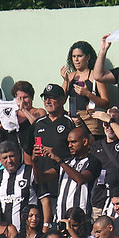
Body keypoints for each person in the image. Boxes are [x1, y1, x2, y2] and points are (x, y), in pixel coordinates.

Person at [28, 83, 76, 223]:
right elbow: (29, 149)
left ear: (62, 100)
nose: (48, 102)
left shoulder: (69, 122)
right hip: (41, 184)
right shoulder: (38, 123)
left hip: (63, 182)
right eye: (45, 98)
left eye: (52, 98)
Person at [37, 127, 102, 221]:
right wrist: (35, 161)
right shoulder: (67, 163)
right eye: (68, 142)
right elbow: (41, 179)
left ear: (84, 142)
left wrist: (59, 160)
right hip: (61, 219)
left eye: (73, 142)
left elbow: (81, 179)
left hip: (81, 221)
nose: (69, 145)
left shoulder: (93, 162)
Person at [60, 41, 109, 139]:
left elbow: (106, 102)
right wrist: (65, 81)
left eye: (80, 56)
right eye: (74, 57)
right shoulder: (70, 76)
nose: (76, 60)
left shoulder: (96, 76)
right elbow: (61, 101)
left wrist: (88, 94)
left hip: (92, 120)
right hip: (74, 119)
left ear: (88, 57)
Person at [0, 141, 37, 232]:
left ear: (19, 154)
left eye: (11, 156)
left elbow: (45, 200)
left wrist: (46, 225)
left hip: (29, 230)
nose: (9, 161)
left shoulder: (30, 172)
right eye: (5, 157)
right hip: (6, 232)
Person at [0, 80, 47, 152]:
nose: (22, 101)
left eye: (25, 97)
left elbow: (38, 126)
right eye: (19, 98)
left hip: (32, 152)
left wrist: (24, 110)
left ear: (32, 97)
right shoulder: (11, 114)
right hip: (13, 153)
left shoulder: (39, 111)